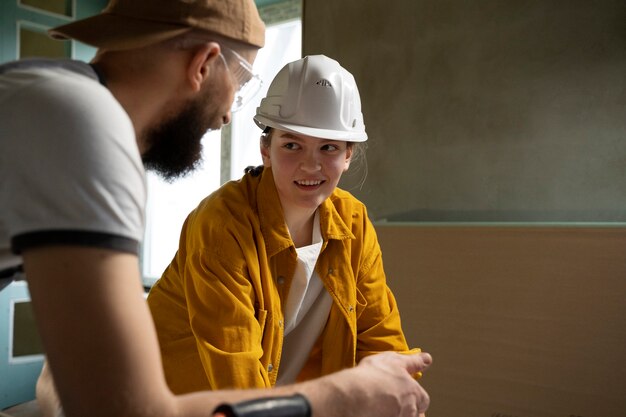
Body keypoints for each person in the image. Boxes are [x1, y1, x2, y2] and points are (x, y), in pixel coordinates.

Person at [0, 0, 432, 416]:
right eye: (241, 85)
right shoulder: (81, 123)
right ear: (204, 64)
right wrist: (344, 397)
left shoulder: (51, 99)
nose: (226, 116)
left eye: (329, 147)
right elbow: (124, 408)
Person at [148, 53, 423, 395]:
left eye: (329, 148)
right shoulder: (222, 225)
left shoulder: (354, 223)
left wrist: (401, 395)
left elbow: (381, 342)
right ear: (266, 149)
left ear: (348, 155)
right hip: (177, 401)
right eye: (292, 145)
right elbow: (238, 379)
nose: (311, 166)